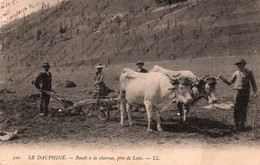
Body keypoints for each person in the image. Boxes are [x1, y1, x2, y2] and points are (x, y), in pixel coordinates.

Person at [219, 59, 257, 131]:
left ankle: (242, 125)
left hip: (246, 92)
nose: (239, 66)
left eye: (240, 64)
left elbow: (253, 83)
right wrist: (223, 78)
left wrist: (255, 92)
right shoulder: (236, 73)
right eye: (238, 65)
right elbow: (230, 82)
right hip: (237, 92)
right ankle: (236, 125)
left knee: (244, 108)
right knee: (236, 108)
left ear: (244, 65)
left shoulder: (249, 72)